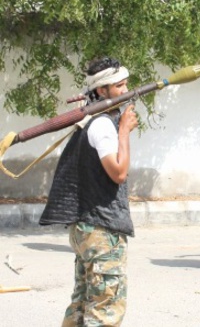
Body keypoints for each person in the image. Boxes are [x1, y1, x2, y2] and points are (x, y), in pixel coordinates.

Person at [39, 57, 138, 327]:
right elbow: (118, 173)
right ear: (102, 91)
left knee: (82, 302)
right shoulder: (103, 126)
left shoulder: (91, 121)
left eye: (126, 84)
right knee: (105, 307)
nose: (126, 90)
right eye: (119, 86)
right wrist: (125, 132)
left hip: (85, 229)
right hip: (101, 231)